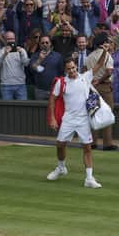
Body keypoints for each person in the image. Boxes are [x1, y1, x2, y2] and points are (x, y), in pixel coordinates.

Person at [46, 50, 110, 189]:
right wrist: (52, 118)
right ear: (65, 69)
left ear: (76, 67)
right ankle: (61, 168)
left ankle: (89, 178)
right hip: (68, 118)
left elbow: (99, 64)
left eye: (74, 68)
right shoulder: (61, 82)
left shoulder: (85, 77)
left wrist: (105, 51)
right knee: (60, 145)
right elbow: (52, 98)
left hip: (83, 120)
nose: (72, 71)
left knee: (87, 147)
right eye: (69, 69)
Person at [85, 33, 116, 150]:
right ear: (104, 43)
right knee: (107, 114)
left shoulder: (89, 56)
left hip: (92, 87)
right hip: (104, 87)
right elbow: (108, 72)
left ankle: (93, 142)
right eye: (107, 41)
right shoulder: (107, 56)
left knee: (93, 113)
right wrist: (99, 80)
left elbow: (84, 70)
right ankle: (107, 143)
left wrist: (94, 81)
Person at [0, 31, 30, 100]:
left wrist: (21, 54)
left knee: (23, 108)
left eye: (12, 39)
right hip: (6, 85)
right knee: (7, 110)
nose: (10, 41)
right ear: (4, 40)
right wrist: (4, 54)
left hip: (20, 85)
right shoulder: (1, 51)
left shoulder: (21, 50)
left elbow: (26, 64)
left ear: (15, 39)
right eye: (8, 39)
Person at [29, 35, 64, 100]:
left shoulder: (58, 56)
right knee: (39, 110)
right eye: (42, 43)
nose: (45, 44)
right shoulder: (35, 56)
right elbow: (31, 70)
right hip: (40, 90)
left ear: (50, 43)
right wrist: (39, 60)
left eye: (47, 42)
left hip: (55, 90)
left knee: (54, 110)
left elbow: (61, 73)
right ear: (39, 44)